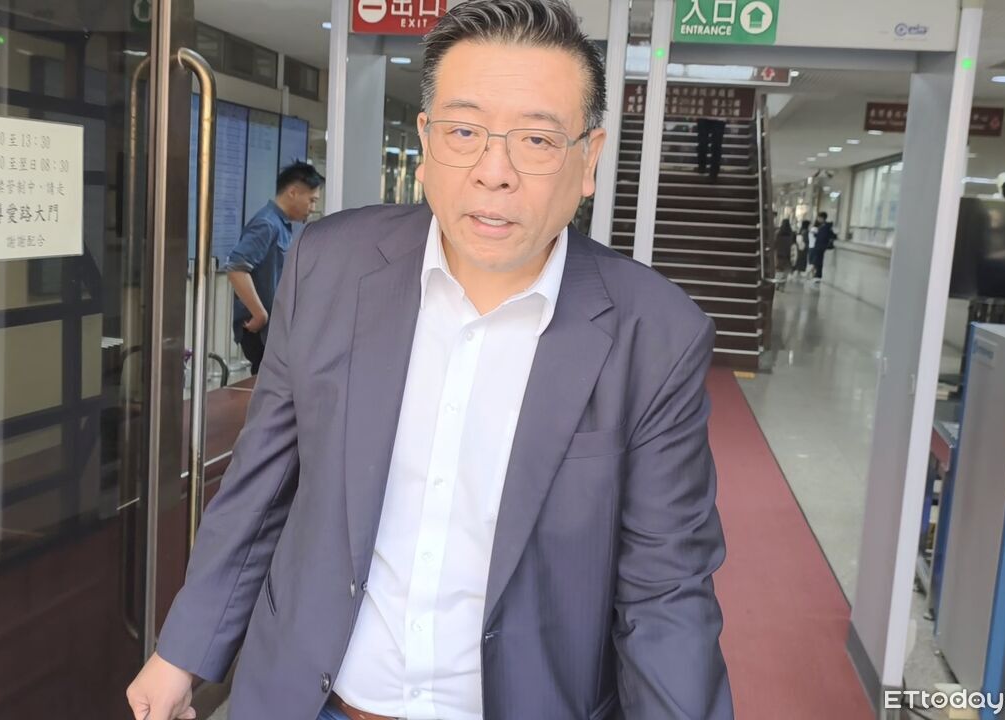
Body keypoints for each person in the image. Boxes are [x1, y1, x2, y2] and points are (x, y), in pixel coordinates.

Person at [126, 1, 732, 719]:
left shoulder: (655, 333)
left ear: (588, 160)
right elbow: (261, 487)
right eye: (464, 132)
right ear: (425, 142)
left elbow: (666, 594)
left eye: (537, 140)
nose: (494, 172)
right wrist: (181, 653)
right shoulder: (330, 266)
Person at [226, 162, 324, 375]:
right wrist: (260, 314)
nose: (312, 208)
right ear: (293, 192)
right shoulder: (267, 224)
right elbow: (236, 268)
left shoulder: (282, 226)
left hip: (276, 329)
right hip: (262, 333)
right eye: (312, 200)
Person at [809, 211, 837, 283]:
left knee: (818, 261)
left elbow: (825, 236)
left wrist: (817, 235)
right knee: (817, 261)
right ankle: (816, 275)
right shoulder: (822, 226)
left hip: (821, 246)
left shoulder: (826, 227)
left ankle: (818, 276)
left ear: (822, 218)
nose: (818, 219)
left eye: (819, 217)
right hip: (818, 246)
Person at [775, 218, 795, 284]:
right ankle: (783, 284)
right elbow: (793, 244)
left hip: (779, 255)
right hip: (788, 255)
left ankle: (778, 283)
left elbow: (775, 244)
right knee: (785, 271)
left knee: (779, 270)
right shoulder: (792, 234)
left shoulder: (778, 234)